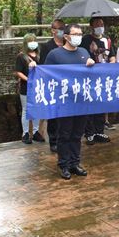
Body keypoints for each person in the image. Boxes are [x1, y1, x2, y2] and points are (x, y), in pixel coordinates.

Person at [44, 24, 95, 179]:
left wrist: (91, 65)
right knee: (64, 134)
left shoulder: (84, 52)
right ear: (66, 36)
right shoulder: (55, 54)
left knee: (77, 134)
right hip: (64, 102)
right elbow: (46, 75)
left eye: (80, 33)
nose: (78, 36)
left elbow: (90, 77)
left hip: (81, 101)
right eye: (75, 33)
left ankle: (75, 162)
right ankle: (64, 164)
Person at [80, 17, 114, 146]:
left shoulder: (107, 40)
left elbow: (112, 56)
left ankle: (100, 131)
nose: (100, 26)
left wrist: (112, 64)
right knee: (89, 105)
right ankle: (89, 133)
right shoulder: (85, 40)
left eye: (102, 24)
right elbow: (82, 56)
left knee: (101, 104)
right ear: (91, 26)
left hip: (104, 77)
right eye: (97, 24)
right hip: (89, 77)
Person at [39, 19, 66, 153]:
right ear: (53, 31)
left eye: (63, 28)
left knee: (66, 114)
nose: (61, 30)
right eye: (59, 28)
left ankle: (65, 139)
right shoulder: (46, 46)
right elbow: (43, 66)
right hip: (53, 84)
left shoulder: (68, 44)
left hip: (67, 85)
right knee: (54, 114)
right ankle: (53, 141)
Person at [14, 33, 43, 144]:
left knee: (37, 108)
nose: (33, 43)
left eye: (34, 40)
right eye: (30, 41)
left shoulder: (39, 55)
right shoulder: (21, 56)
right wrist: (29, 79)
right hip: (26, 87)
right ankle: (25, 133)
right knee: (26, 110)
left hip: (39, 87)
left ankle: (35, 132)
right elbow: (18, 72)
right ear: (26, 43)